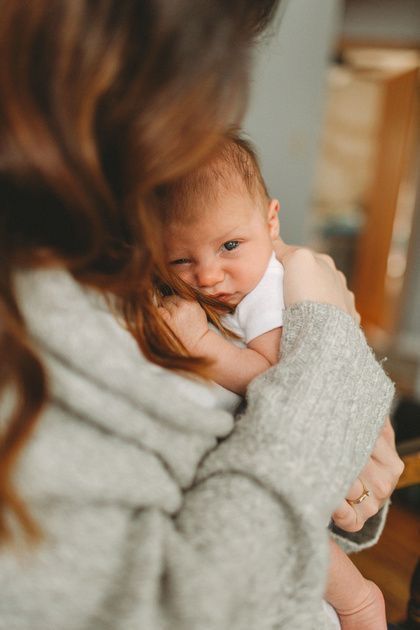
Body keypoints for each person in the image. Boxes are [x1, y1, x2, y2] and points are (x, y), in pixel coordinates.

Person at [0, 2, 404, 629]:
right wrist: (330, 350)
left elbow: (290, 451)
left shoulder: (123, 254)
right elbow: (182, 604)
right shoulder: (38, 319)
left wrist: (347, 449)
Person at [158, 132, 387, 629]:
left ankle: (360, 602)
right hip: (267, 453)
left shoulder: (269, 288)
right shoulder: (230, 283)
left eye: (230, 246)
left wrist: (204, 347)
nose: (209, 275)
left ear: (272, 220)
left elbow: (273, 377)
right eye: (181, 259)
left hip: (299, 452)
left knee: (294, 532)